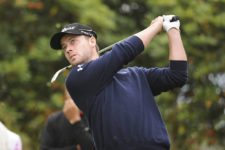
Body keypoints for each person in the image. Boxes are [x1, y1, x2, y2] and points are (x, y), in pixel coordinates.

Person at [49, 15, 188, 150]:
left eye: (73, 41)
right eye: (64, 46)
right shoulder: (76, 78)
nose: (68, 49)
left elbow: (177, 75)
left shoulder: (136, 75)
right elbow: (124, 51)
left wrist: (173, 29)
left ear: (92, 41)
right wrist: (156, 26)